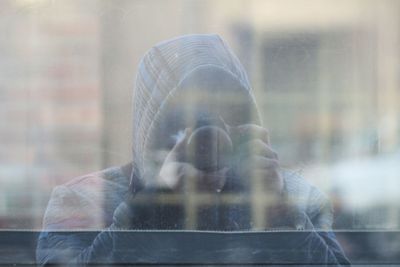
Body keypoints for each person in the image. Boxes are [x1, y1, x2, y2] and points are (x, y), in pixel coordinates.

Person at [36, 34, 350, 265]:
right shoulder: (85, 200)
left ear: (250, 123)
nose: (210, 137)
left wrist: (277, 210)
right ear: (150, 131)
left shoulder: (294, 197)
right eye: (185, 120)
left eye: (227, 114)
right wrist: (150, 206)